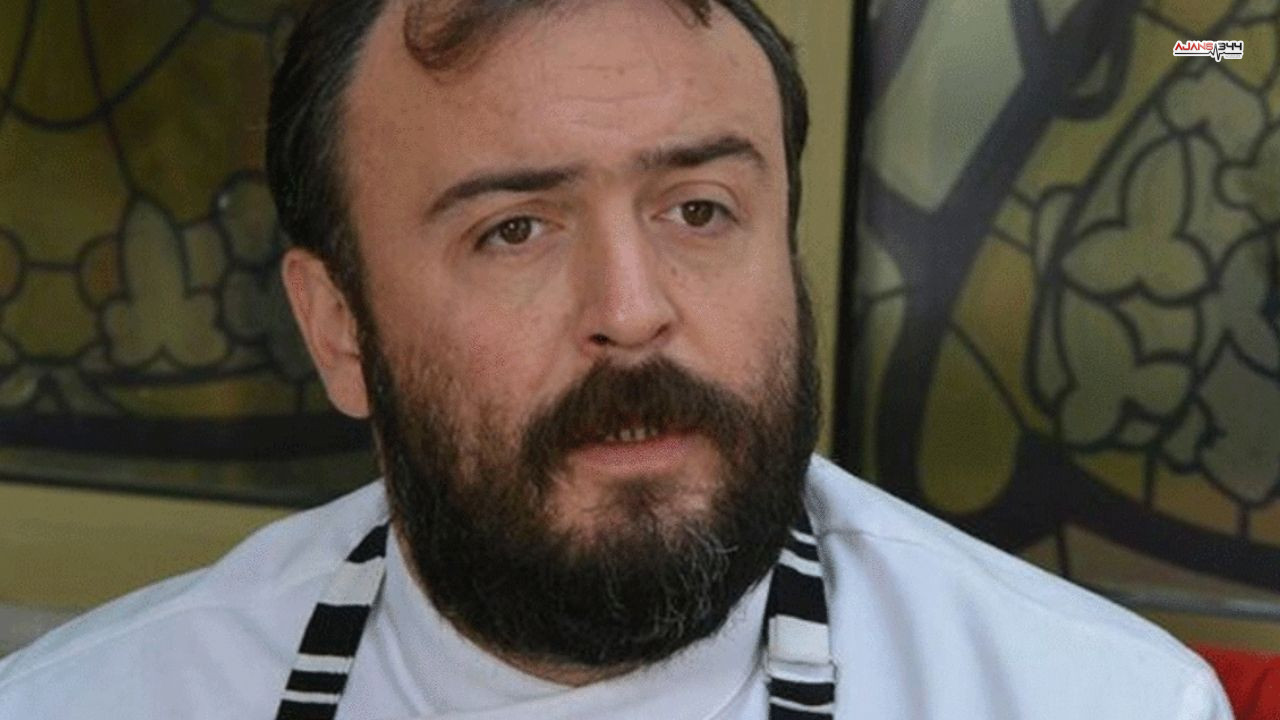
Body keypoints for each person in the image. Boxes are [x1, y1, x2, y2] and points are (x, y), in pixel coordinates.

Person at [0, 1, 1233, 718]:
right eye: (513, 230)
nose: (631, 313)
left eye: (698, 210)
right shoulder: (98, 701)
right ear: (337, 329)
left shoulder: (1092, 700)